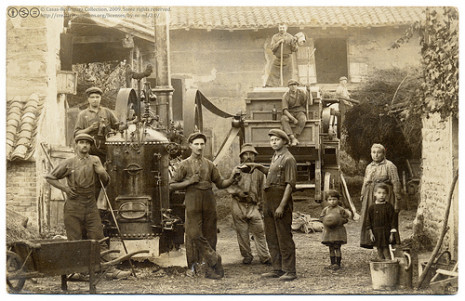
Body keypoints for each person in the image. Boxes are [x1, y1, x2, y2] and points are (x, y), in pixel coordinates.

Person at [45, 133, 130, 280]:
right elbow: (50, 177)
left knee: (98, 237)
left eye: (87, 143)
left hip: (90, 205)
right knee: (75, 241)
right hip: (73, 206)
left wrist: (102, 172)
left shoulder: (95, 160)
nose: (84, 145)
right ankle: (77, 272)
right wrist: (65, 189)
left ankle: (110, 270)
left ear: (90, 146)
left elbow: (106, 182)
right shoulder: (69, 162)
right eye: (81, 142)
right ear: (76, 145)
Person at [170, 132, 240, 279]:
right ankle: (204, 261)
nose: (199, 147)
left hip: (208, 199)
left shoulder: (210, 165)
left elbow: (221, 184)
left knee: (210, 234)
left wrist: (233, 177)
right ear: (190, 146)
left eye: (202, 144)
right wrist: (189, 182)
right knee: (193, 233)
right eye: (196, 144)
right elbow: (172, 185)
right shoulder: (184, 165)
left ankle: (210, 269)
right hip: (192, 199)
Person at [245, 129, 297, 281]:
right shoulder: (275, 156)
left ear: (284, 141)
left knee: (283, 236)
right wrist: (258, 166)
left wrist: (281, 206)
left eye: (277, 139)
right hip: (269, 198)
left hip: (280, 197)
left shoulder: (289, 159)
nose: (273, 142)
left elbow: (289, 185)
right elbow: (272, 173)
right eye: (271, 140)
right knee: (272, 236)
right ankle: (277, 268)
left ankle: (290, 271)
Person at [226, 143, 271, 265]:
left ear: (255, 156)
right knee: (242, 232)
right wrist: (238, 192)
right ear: (241, 156)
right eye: (245, 154)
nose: (248, 156)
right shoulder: (236, 170)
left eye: (251, 154)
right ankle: (247, 256)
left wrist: (261, 206)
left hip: (253, 205)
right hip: (238, 204)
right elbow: (228, 186)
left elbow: (263, 189)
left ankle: (264, 256)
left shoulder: (259, 172)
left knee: (259, 231)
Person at [359, 143, 401, 249]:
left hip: (385, 194)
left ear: (383, 153)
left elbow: (395, 182)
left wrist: (397, 200)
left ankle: (390, 243)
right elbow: (365, 181)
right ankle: (371, 241)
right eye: (373, 152)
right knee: (371, 217)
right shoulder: (369, 166)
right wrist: (363, 194)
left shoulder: (389, 165)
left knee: (386, 217)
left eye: (379, 153)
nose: (376, 155)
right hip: (371, 195)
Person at [74, 86, 120, 164]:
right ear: (88, 99)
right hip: (89, 149)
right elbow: (76, 133)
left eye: (97, 97)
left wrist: (130, 123)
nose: (95, 99)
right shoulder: (83, 114)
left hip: (106, 148)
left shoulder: (107, 112)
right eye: (92, 97)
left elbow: (118, 127)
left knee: (106, 170)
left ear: (100, 98)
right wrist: (90, 129)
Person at [366, 183, 398, 260]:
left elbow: (393, 221)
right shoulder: (372, 207)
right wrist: (371, 234)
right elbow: (368, 221)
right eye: (379, 193)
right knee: (379, 250)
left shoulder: (389, 207)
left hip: (386, 232)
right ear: (374, 194)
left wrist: (391, 234)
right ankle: (382, 266)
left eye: (384, 193)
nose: (381, 195)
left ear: (387, 194)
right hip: (376, 232)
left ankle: (388, 265)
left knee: (386, 250)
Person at [319, 189, 350, 270]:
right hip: (329, 231)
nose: (332, 201)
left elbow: (346, 219)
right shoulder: (326, 209)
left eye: (334, 199)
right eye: (330, 199)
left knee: (337, 247)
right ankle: (332, 263)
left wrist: (339, 221)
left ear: (338, 200)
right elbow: (321, 218)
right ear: (326, 200)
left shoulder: (340, 209)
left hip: (338, 231)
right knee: (331, 247)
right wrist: (326, 221)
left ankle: (338, 264)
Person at [281, 79, 311, 146]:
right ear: (288, 86)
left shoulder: (302, 93)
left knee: (303, 119)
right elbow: (285, 110)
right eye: (291, 85)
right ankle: (292, 137)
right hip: (290, 112)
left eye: (295, 85)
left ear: (297, 86)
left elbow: (309, 102)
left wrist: (309, 91)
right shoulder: (286, 95)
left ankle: (294, 137)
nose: (293, 87)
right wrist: (293, 119)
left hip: (299, 111)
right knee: (283, 119)